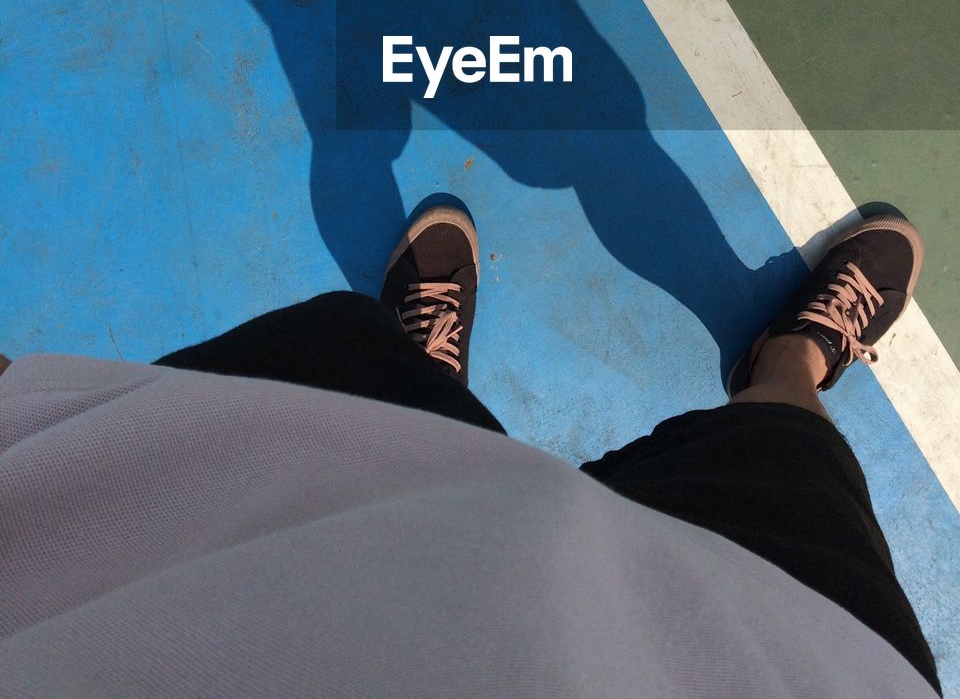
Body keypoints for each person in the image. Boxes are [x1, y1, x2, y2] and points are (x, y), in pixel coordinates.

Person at [0, 205, 943, 697]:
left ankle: (426, 394)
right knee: (790, 467)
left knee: (363, 408)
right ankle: (793, 366)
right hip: (783, 663)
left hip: (194, 595)